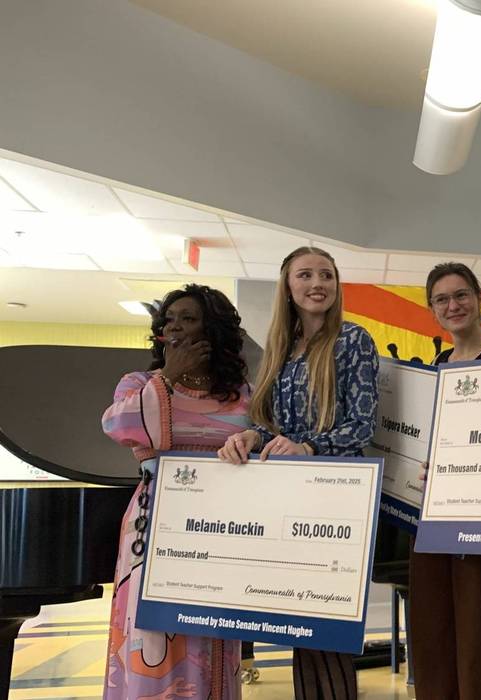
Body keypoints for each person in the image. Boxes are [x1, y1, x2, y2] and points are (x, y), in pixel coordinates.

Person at [217, 246, 379, 700]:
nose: (317, 284)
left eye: (326, 274)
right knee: (300, 629)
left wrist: (308, 446)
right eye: (305, 275)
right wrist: (250, 437)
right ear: (287, 287)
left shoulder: (353, 339)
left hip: (334, 500)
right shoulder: (280, 351)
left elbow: (361, 425)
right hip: (288, 500)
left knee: (326, 632)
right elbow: (268, 423)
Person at [101, 284, 251, 700]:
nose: (177, 327)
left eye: (189, 318)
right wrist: (168, 377)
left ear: (213, 328)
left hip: (221, 526)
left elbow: (260, 443)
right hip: (156, 525)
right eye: (170, 320)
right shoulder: (137, 383)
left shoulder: (242, 393)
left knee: (213, 633)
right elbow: (117, 425)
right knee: (153, 633)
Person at [407, 262, 481, 700]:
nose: (452, 305)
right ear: (432, 309)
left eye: (461, 295)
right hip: (432, 516)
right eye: (442, 299)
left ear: (479, 299)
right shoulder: (436, 365)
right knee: (434, 633)